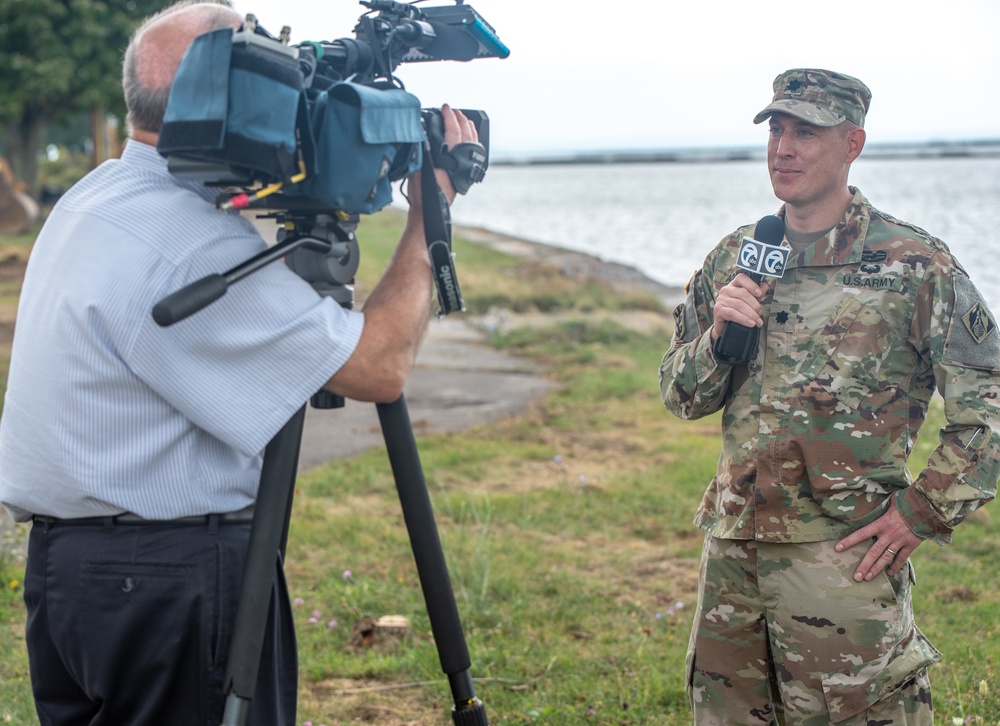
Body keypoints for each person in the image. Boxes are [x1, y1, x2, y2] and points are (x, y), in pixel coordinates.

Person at [0, 1, 481, 724]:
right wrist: (429, 210)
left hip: (66, 579)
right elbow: (379, 366)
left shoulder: (94, 198)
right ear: (226, 95)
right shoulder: (191, 245)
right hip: (165, 584)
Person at [659, 68, 1000, 724]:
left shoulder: (914, 265)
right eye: (777, 130)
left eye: (806, 133)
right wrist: (718, 336)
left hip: (842, 564)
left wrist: (923, 512)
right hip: (732, 558)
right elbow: (681, 395)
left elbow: (987, 404)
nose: (783, 148)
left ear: (852, 145)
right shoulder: (736, 254)